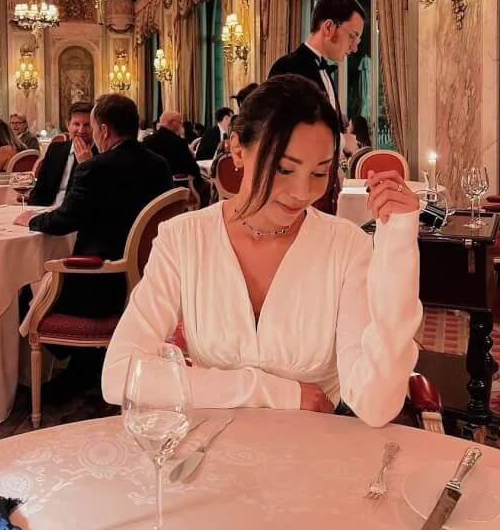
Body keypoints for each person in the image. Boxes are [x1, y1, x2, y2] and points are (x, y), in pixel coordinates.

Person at [101, 75, 421, 424]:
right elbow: (119, 374)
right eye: (284, 168)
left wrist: (397, 247)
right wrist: (276, 392)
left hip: (312, 447)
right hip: (211, 447)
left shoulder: (345, 246)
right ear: (238, 150)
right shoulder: (183, 238)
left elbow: (376, 404)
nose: (301, 192)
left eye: (319, 173)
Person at [15, 94, 173, 318]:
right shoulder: (160, 164)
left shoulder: (95, 167)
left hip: (99, 283)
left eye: (92, 126)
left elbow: (65, 221)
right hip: (152, 278)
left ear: (104, 130)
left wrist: (31, 220)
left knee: (31, 295)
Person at [268, 0, 365, 213]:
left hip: (324, 186)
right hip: (298, 189)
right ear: (329, 27)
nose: (355, 47)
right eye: (352, 36)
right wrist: (343, 141)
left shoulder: (324, 72)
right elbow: (288, 133)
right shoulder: (288, 68)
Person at [28, 101, 95, 207]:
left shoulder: (101, 155)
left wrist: (88, 164)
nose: (81, 130)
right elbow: (39, 190)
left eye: (87, 125)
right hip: (47, 209)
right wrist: (32, 211)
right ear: (68, 125)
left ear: (95, 126)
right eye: (76, 124)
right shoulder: (55, 150)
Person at [143, 110, 210, 207]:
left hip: (151, 187)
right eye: (180, 122)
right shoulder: (179, 142)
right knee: (206, 186)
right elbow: (192, 167)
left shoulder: (147, 141)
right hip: (176, 187)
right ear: (172, 123)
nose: (181, 125)